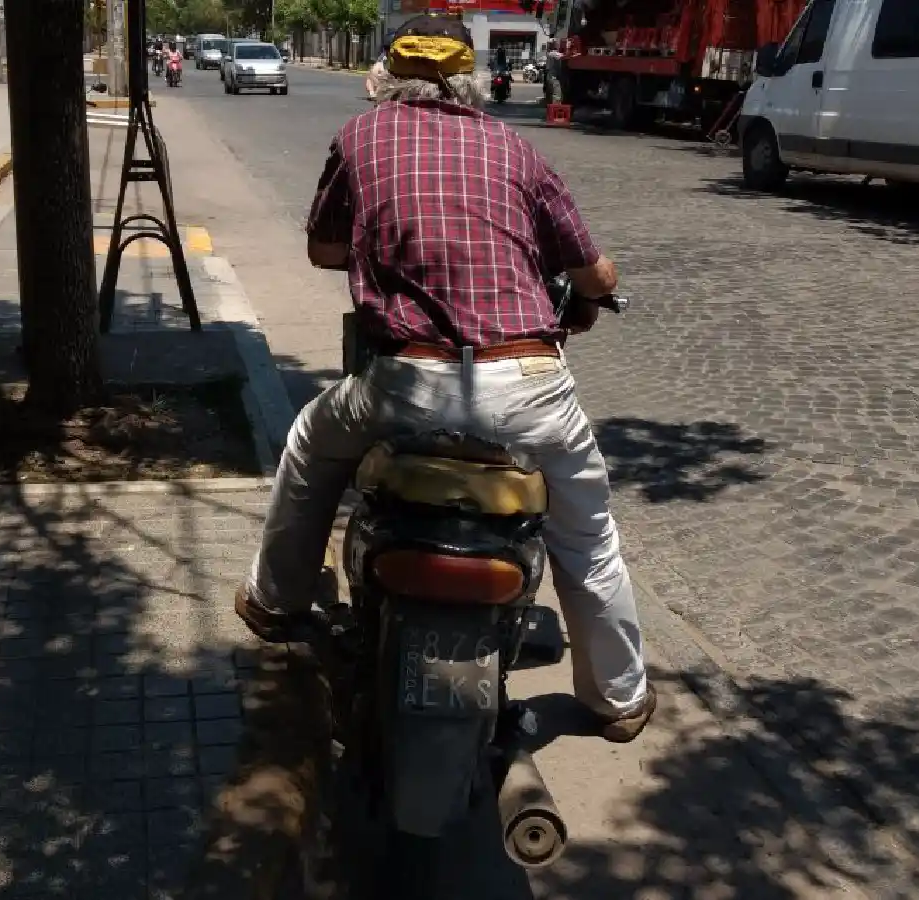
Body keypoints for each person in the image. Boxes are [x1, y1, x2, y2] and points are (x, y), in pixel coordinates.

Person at [234, 13, 655, 744]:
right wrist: (593, 292)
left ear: (387, 75)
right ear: (469, 77)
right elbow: (592, 270)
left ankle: (273, 600)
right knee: (587, 537)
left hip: (406, 387)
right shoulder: (517, 150)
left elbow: (325, 249)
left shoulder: (361, 137)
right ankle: (618, 700)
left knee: (310, 445)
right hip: (527, 384)